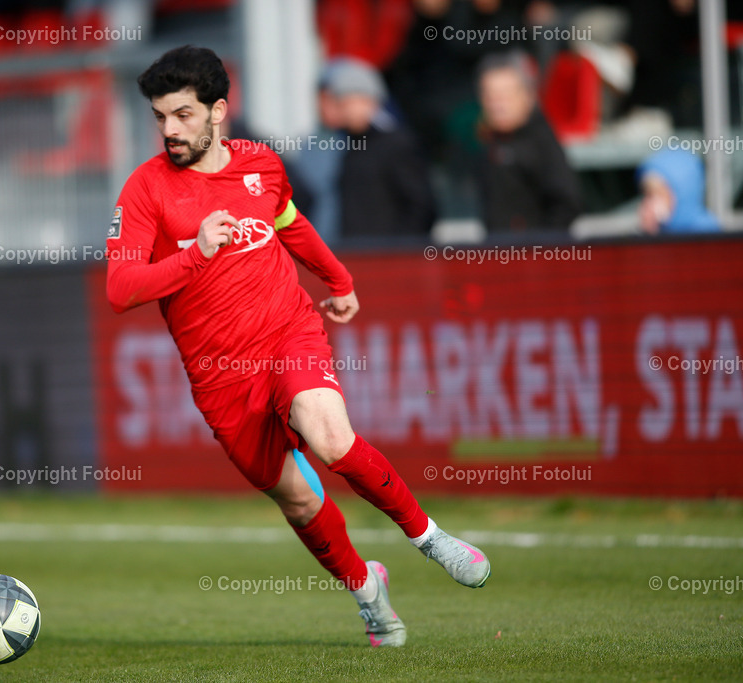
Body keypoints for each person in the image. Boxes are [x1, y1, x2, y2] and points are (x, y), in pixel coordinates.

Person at [106, 45, 490, 648]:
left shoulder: (261, 165)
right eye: (160, 117)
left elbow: (289, 224)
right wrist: (194, 254)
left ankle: (431, 539)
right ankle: (368, 591)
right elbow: (121, 287)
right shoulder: (145, 191)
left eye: (183, 114)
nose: (170, 129)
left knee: (329, 435)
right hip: (220, 376)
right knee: (298, 502)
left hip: (288, 332)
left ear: (219, 111)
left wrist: (337, 280)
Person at [317, 57, 436, 239]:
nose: (344, 110)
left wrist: (400, 249)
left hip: (387, 258)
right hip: (355, 254)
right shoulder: (347, 145)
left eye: (349, 102)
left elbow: (421, 206)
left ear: (369, 101)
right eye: (341, 103)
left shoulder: (396, 144)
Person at [476, 49, 581, 232]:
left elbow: (566, 203)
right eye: (490, 96)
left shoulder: (541, 141)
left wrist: (538, 250)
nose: (497, 104)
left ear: (528, 95)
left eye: (505, 94)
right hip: (497, 253)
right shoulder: (490, 140)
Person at [637, 149, 720, 234]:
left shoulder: (706, 232)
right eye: (647, 195)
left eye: (658, 194)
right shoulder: (663, 232)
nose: (649, 204)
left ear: (683, 194)